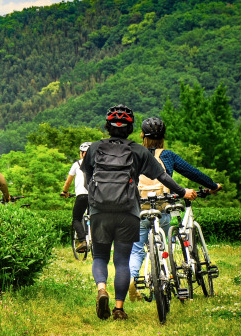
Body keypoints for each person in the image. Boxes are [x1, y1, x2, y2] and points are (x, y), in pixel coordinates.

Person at [81, 104, 197, 321]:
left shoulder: (94, 148)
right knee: (122, 260)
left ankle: (102, 289)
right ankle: (118, 308)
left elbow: (87, 179)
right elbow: (162, 176)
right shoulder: (138, 150)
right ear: (131, 129)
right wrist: (182, 192)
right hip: (128, 211)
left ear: (107, 127)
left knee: (100, 256)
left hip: (99, 210)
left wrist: (99, 198)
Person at [128, 117, 222, 301]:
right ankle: (167, 276)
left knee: (136, 250)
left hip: (140, 210)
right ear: (163, 137)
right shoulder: (168, 156)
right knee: (166, 244)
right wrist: (212, 185)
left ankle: (132, 278)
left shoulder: (135, 155)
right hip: (162, 209)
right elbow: (192, 172)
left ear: (142, 136)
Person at [60, 142, 92, 252]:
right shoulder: (97, 164)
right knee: (95, 217)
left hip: (82, 195)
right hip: (96, 196)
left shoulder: (77, 164)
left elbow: (68, 182)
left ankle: (82, 241)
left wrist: (65, 191)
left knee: (76, 219)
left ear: (82, 153)